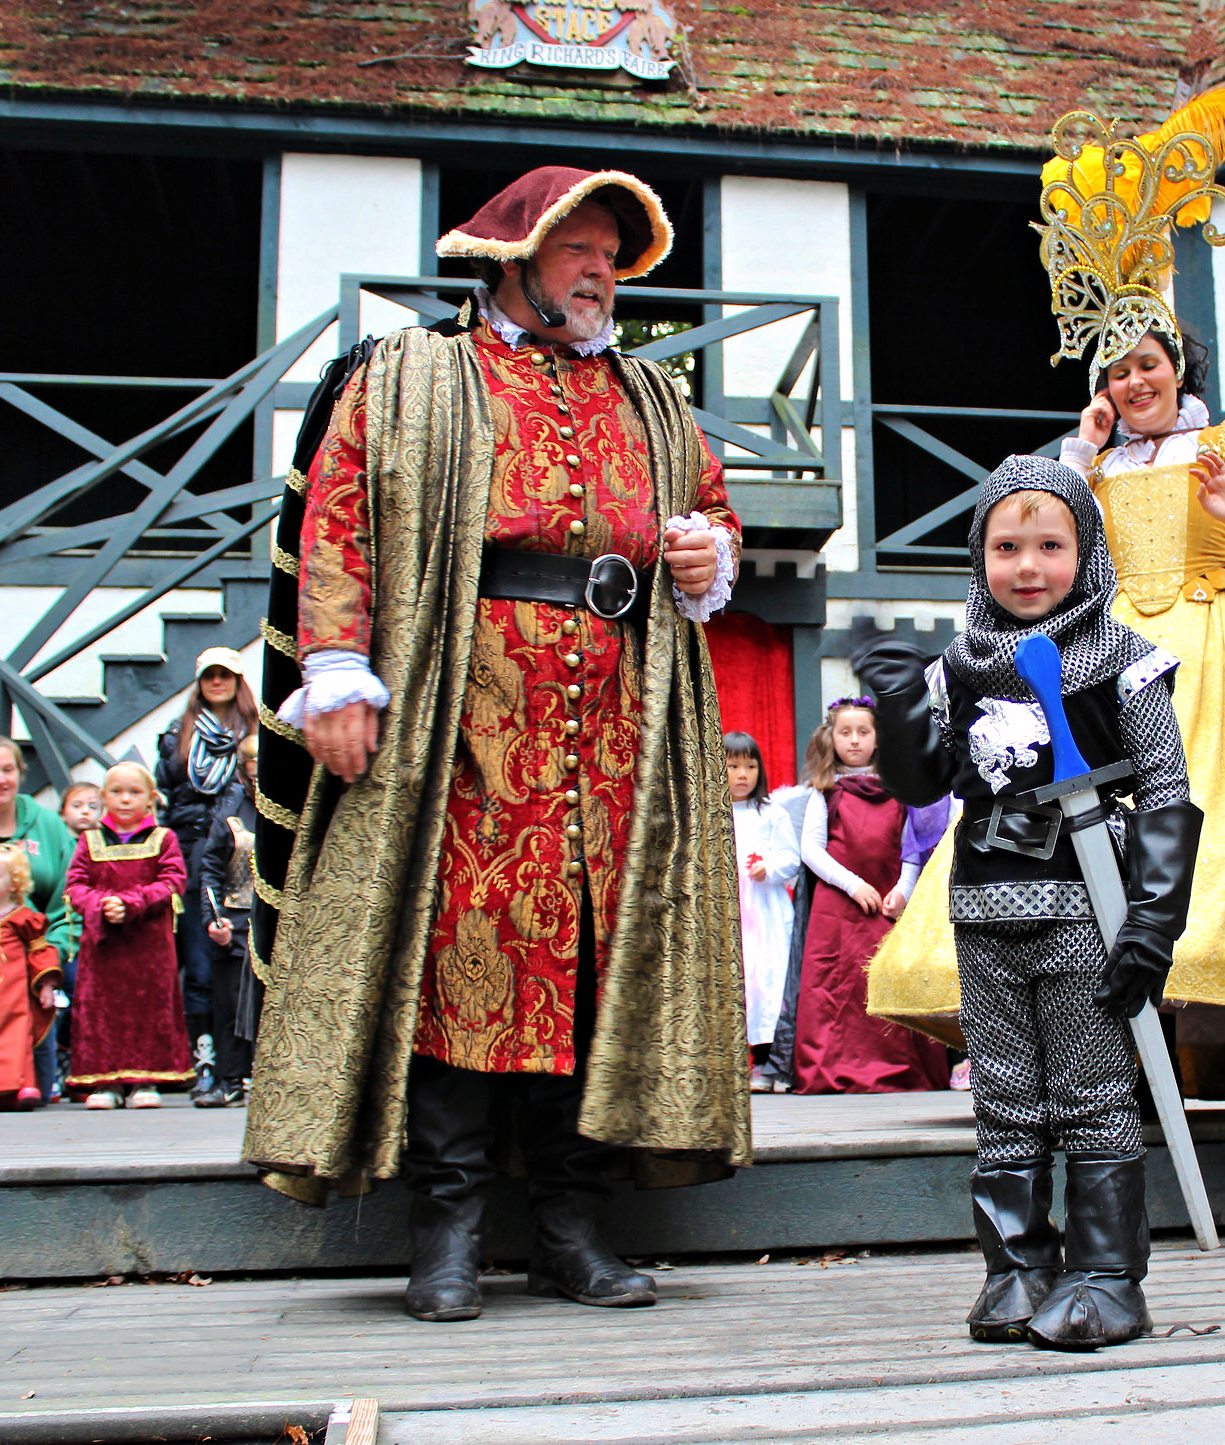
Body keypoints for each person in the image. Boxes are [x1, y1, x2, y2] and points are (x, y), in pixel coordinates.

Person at [870, 92, 1225, 1115]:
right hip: (1112, 660)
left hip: (1217, 653)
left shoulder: (1224, 447)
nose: (1133, 379)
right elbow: (1039, 547)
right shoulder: (1081, 462)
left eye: (1146, 363)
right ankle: (1137, 1064)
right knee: (1105, 845)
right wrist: (1081, 451)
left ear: (1177, 365)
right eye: (1116, 368)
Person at [247, 166, 751, 1324]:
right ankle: (449, 1232)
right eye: (581, 250)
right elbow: (340, 517)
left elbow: (709, 511)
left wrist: (703, 556)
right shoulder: (416, 376)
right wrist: (335, 669)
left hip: (621, 730)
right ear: (514, 252)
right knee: (454, 962)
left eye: (614, 257)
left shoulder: (654, 398)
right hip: (457, 718)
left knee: (592, 973)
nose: (602, 273)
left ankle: (572, 1230)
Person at [854, 454, 1203, 1351]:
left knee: (1090, 1089)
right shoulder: (958, 666)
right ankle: (1016, 1267)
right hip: (985, 904)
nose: (1028, 566)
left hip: (1090, 907)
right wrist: (899, 709)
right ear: (981, 557)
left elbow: (1164, 787)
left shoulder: (1124, 660)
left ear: (1083, 552)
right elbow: (924, 777)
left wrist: (1154, 919)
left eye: (1050, 544)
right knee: (1006, 1094)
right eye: (1007, 546)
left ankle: (1104, 1274)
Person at [793, 699, 952, 1094]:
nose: (854, 740)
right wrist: (853, 885)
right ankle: (831, 1070)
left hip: (888, 903)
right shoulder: (823, 792)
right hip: (838, 908)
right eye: (845, 732)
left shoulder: (901, 790)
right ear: (831, 737)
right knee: (835, 986)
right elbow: (811, 850)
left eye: (863, 732)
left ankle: (901, 1071)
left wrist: (902, 890)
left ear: (878, 738)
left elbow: (914, 845)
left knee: (885, 980)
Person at [156, 647, 259, 1100]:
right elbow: (167, 790)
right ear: (198, 682)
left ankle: (248, 1067)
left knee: (248, 967)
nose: (218, 682)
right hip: (192, 849)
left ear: (239, 681)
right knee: (201, 963)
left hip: (246, 844)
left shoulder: (259, 731)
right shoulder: (178, 734)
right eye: (209, 676)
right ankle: (208, 1062)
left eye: (226, 675)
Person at [63, 762, 190, 1109]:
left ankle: (145, 1080)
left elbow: (173, 881)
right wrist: (102, 905)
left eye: (134, 793)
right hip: (103, 945)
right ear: (104, 797)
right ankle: (106, 1082)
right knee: (102, 1010)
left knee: (149, 1007)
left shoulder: (164, 838)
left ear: (150, 799)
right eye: (116, 792)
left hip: (149, 945)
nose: (124, 800)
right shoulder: (89, 841)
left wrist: (132, 903)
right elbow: (75, 886)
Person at [0, 736, 79, 1104]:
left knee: (64, 977)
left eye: (7, 770)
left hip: (42, 940)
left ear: (21, 773)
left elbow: (68, 897)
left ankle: (60, 1075)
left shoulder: (48, 825)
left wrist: (55, 948)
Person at [725, 731, 799, 1091]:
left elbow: (791, 859)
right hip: (728, 912)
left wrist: (768, 867)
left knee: (766, 979)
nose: (742, 774)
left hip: (765, 911)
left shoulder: (772, 813)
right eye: (733, 765)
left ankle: (767, 1061)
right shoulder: (711, 814)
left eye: (750, 766)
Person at [195, 734, 259, 1107]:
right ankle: (230, 1078)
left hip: (279, 919)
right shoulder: (230, 811)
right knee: (230, 999)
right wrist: (211, 919)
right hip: (234, 916)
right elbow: (211, 868)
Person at [0, 844, 61, 1110]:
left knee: (19, 1036)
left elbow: (41, 951)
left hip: (15, 993)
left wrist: (46, 984)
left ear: (14, 882)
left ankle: (25, 1084)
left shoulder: (24, 918)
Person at [48, 781, 102, 1098]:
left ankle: (81, 1069)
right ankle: (61, 1061)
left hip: (91, 938)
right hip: (62, 937)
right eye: (77, 805)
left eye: (92, 806)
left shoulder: (101, 845)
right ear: (62, 812)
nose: (85, 812)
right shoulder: (57, 845)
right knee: (66, 998)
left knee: (85, 1000)